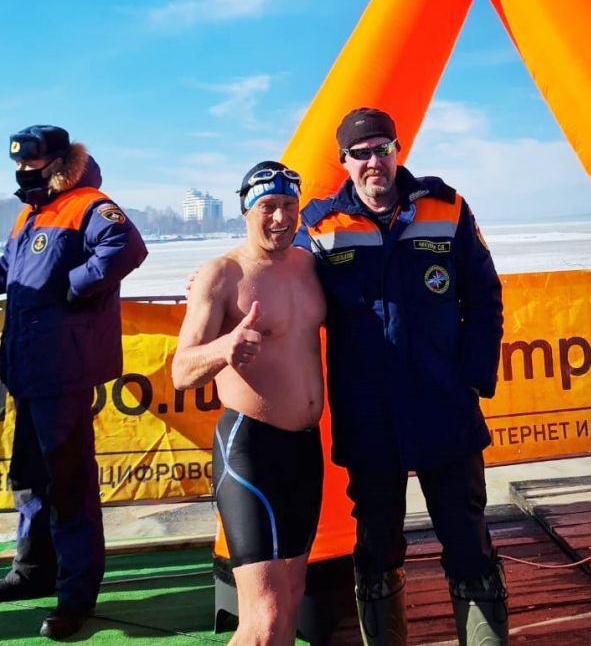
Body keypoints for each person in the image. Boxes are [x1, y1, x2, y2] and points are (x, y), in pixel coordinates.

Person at [296, 108, 508, 646]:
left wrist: (472, 379)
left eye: (383, 148)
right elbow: (275, 278)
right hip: (368, 413)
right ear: (344, 162)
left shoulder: (446, 206)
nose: (374, 161)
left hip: (444, 404)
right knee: (377, 542)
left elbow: (484, 299)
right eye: (361, 153)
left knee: (467, 538)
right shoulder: (319, 226)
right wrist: (225, 275)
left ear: (398, 150)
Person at [0, 124, 147, 640]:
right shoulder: (30, 214)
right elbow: (9, 268)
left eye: (31, 163)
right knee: (29, 478)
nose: (23, 172)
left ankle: (75, 594)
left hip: (63, 368)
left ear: (59, 163)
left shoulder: (88, 204)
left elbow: (127, 247)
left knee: (69, 484)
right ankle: (32, 571)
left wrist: (74, 285)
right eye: (18, 164)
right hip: (28, 368)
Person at [172, 161, 326, 646]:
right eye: (268, 207)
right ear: (245, 211)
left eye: (288, 206)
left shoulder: (310, 266)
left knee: (291, 601)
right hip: (251, 452)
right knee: (263, 621)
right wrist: (224, 348)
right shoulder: (223, 274)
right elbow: (181, 371)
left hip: (305, 450)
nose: (280, 218)